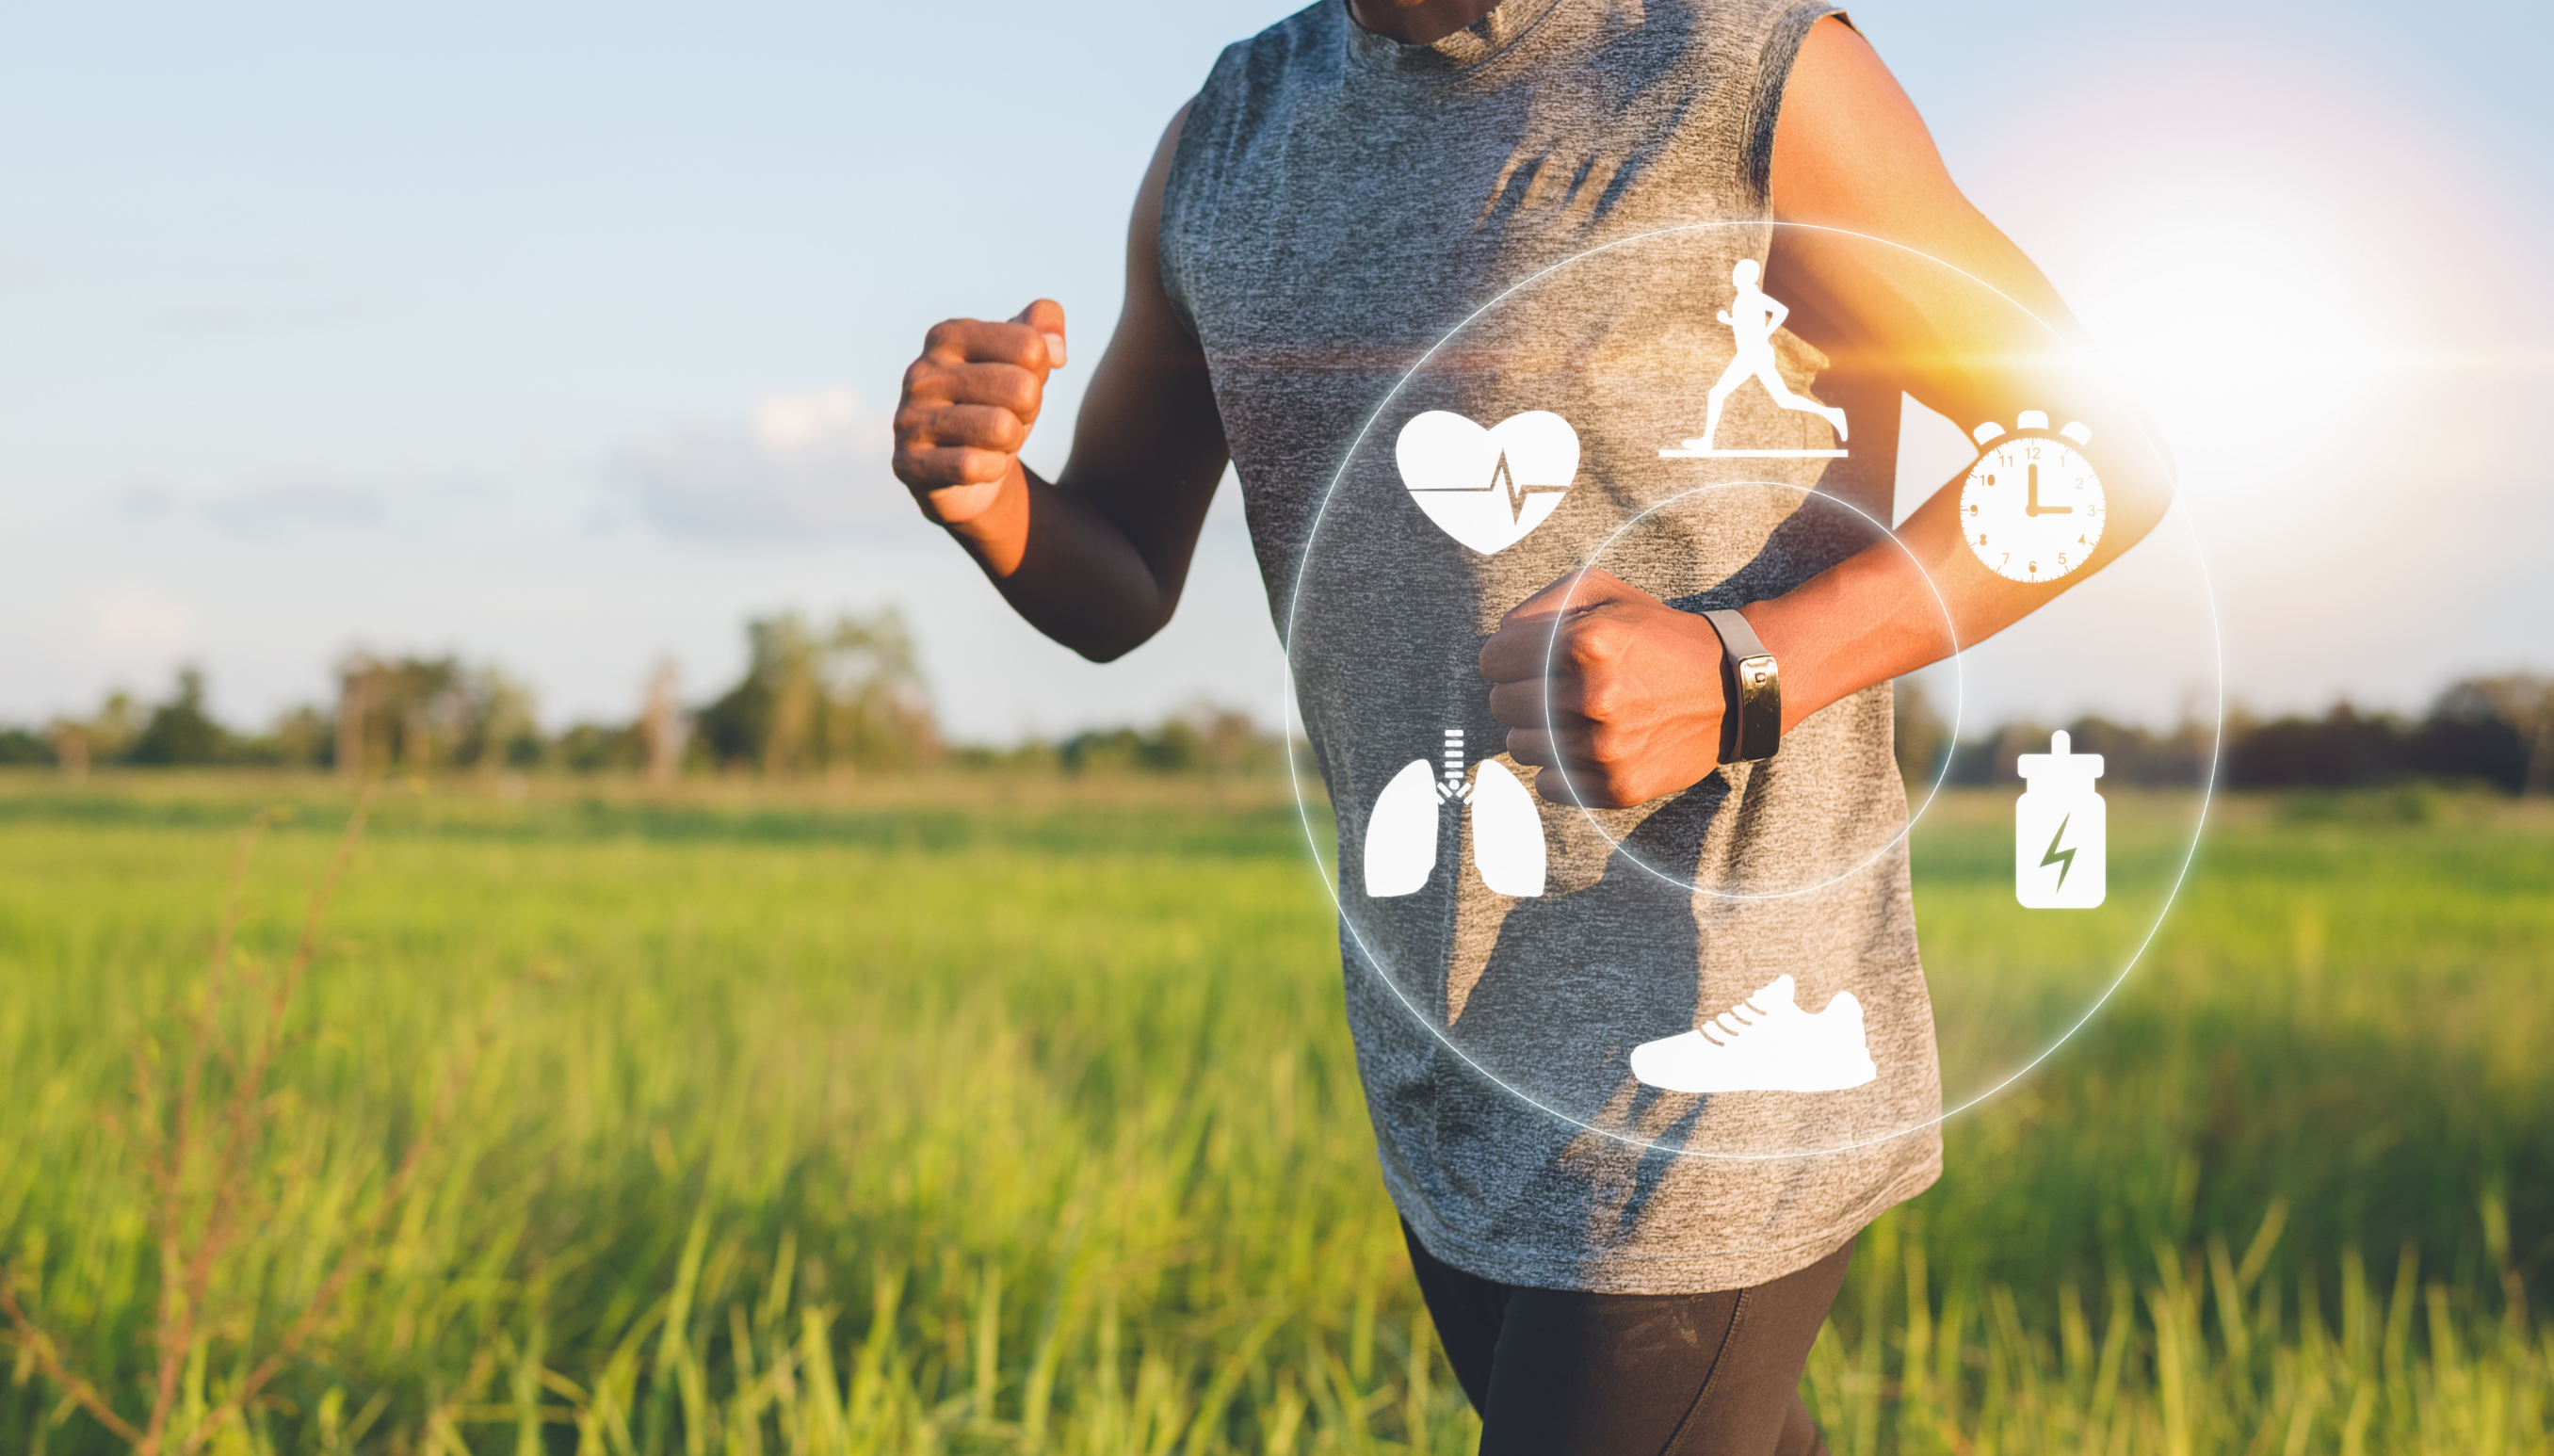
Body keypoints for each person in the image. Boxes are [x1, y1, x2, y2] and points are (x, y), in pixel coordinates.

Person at [890, 1, 2171, 1451]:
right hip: (1448, 1037)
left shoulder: (1743, 71)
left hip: (1726, 1044)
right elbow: (1118, 574)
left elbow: (2096, 459)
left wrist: (1741, 667)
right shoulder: (1225, 145)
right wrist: (990, 502)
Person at [1689, 257, 1851, 450]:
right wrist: (1728, 321)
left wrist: (1766, 333)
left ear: (1748, 277)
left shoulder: (1752, 295)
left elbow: (1781, 310)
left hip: (1754, 355)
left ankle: (1706, 441)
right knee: (1783, 399)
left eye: (1739, 272)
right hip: (1751, 354)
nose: (1735, 274)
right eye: (1736, 271)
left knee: (1718, 393)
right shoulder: (1744, 296)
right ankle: (1832, 415)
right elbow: (1748, 323)